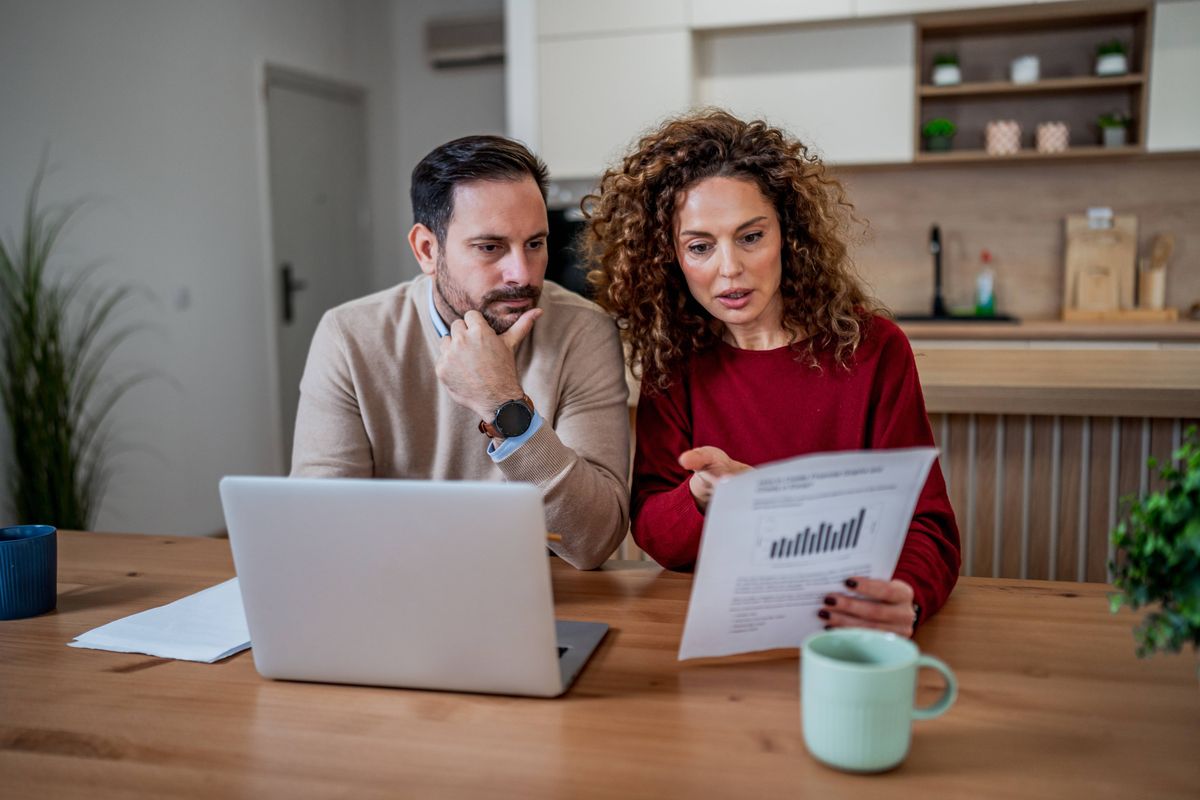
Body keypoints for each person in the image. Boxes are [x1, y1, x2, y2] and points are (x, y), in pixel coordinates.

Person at [585, 110, 960, 634]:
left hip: (847, 627)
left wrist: (906, 596)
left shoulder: (874, 350)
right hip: (731, 627)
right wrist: (700, 495)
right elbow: (655, 534)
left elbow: (928, 525)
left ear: (787, 233)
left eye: (750, 237)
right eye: (700, 246)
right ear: (671, 258)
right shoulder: (674, 363)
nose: (729, 268)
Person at [291, 135, 630, 569]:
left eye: (534, 243)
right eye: (490, 247)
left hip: (540, 590)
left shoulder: (584, 332)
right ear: (427, 250)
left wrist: (504, 404)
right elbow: (319, 527)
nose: (522, 274)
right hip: (394, 584)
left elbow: (595, 539)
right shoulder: (350, 336)